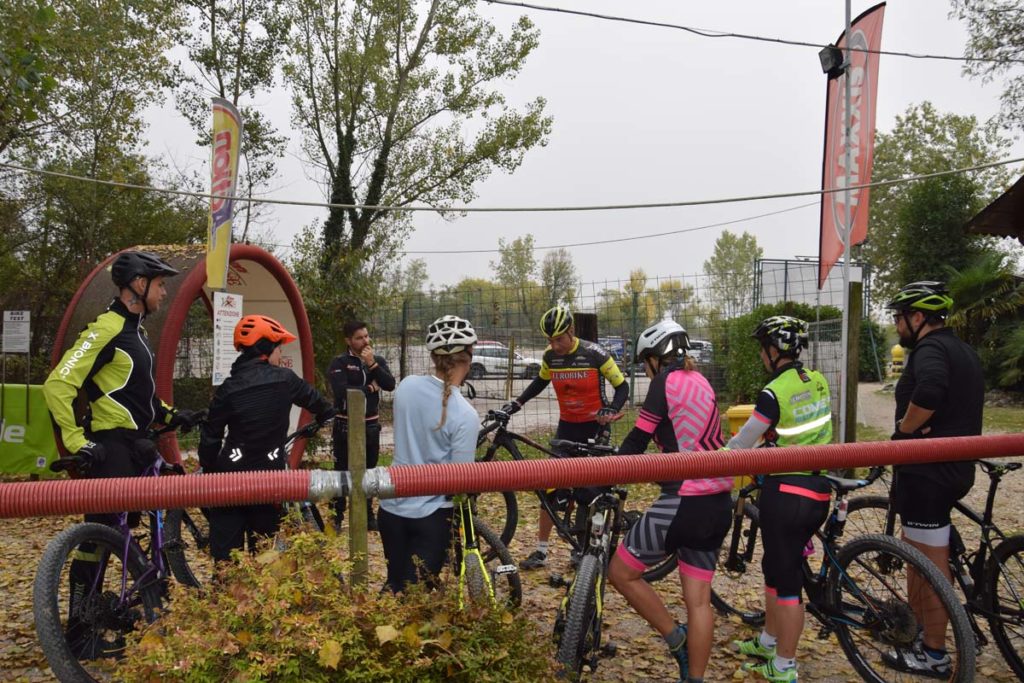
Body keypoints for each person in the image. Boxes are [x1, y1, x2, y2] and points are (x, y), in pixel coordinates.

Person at [43, 250, 203, 657]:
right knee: (100, 536)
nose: (164, 292)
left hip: (136, 443)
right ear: (137, 284)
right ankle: (79, 632)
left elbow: (133, 394)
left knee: (127, 531)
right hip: (109, 445)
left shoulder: (137, 333)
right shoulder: (106, 328)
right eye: (160, 284)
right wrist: (79, 442)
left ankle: (133, 600)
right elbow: (58, 385)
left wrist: (171, 415)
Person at [607, 320, 729, 683]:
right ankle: (695, 678)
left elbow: (636, 442)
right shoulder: (701, 380)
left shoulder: (664, 382)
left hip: (683, 499)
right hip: (719, 500)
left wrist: (600, 472)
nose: (646, 371)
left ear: (656, 358)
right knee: (699, 602)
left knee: (621, 572)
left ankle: (675, 639)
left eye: (646, 362)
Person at [883, 281, 983, 677]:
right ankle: (930, 628)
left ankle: (934, 652)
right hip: (953, 467)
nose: (896, 324)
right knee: (921, 554)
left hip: (929, 472)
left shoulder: (930, 350)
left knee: (928, 565)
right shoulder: (963, 349)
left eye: (899, 317)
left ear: (918, 317)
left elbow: (930, 389)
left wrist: (905, 432)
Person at [726, 315, 833, 682]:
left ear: (774, 351)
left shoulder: (773, 393)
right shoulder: (816, 380)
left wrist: (718, 456)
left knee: (787, 581)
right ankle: (769, 641)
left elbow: (743, 443)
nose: (760, 355)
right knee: (775, 568)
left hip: (786, 493)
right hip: (817, 489)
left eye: (762, 349)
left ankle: (785, 665)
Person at [501, 305, 629, 570]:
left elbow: (622, 387)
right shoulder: (551, 358)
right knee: (550, 486)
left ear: (571, 331)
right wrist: (517, 403)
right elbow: (540, 382)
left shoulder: (595, 354)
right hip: (567, 428)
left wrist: (612, 410)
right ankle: (541, 551)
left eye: (559, 338)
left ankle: (582, 550)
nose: (554, 345)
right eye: (549, 340)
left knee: (587, 490)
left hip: (595, 428)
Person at [198, 314, 335, 562]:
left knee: (226, 563)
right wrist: (321, 420)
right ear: (267, 349)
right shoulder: (286, 379)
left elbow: (210, 439)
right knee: (267, 557)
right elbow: (321, 405)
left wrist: (210, 473)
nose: (280, 355)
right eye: (278, 348)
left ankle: (226, 597)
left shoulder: (228, 388)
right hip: (268, 481)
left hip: (228, 483)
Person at [378, 315, 478, 594]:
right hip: (431, 517)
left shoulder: (406, 386)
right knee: (413, 599)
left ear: (434, 357)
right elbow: (460, 482)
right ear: (469, 357)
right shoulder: (465, 415)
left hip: (391, 508)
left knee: (393, 584)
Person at [327, 321, 396, 531]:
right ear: (348, 341)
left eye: (367, 336)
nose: (365, 341)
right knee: (341, 472)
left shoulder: (377, 361)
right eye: (359, 337)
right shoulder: (339, 362)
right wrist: (370, 387)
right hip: (345, 425)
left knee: (369, 471)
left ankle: (367, 516)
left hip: (370, 426)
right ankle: (336, 517)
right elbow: (343, 392)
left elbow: (390, 384)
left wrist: (373, 365)